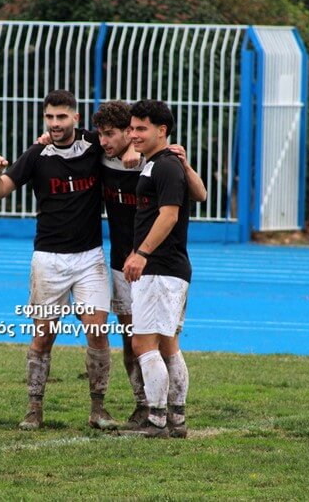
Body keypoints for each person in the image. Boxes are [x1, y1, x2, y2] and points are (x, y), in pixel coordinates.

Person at [0, 89, 119, 431]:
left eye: (62, 116)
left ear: (76, 117)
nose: (55, 123)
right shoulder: (36, 154)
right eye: (50, 117)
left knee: (98, 333)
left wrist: (134, 150)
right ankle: (34, 408)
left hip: (89, 258)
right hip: (48, 260)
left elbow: (122, 142)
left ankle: (98, 409)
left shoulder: (94, 144)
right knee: (43, 336)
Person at [91, 101, 206, 431]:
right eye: (132, 128)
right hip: (166, 267)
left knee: (143, 344)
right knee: (168, 344)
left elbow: (169, 216)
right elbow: (200, 195)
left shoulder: (164, 165)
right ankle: (176, 418)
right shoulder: (161, 163)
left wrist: (141, 253)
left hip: (159, 268)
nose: (134, 135)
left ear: (162, 130)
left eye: (141, 129)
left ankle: (156, 418)